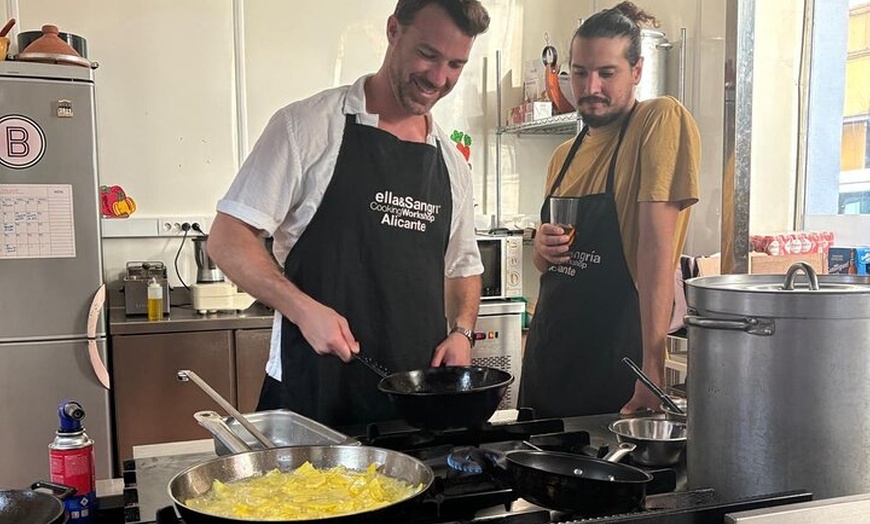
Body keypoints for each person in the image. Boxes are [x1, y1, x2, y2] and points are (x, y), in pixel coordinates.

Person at [206, 0, 489, 428]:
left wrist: (461, 332)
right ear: (393, 30)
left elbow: (463, 266)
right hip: (313, 393)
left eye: (455, 64)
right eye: (428, 54)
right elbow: (227, 238)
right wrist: (302, 309)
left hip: (413, 407)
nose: (438, 77)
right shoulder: (306, 128)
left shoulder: (452, 164)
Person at [518, 2, 700, 418]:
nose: (590, 86)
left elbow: (655, 251)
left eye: (607, 72)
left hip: (616, 370)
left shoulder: (657, 121)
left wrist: (651, 371)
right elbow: (545, 265)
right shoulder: (564, 154)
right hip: (549, 364)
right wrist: (542, 249)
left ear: (636, 71)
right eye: (579, 73)